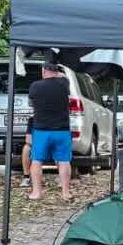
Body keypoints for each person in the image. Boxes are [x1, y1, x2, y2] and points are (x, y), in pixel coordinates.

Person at [28, 63, 73, 201]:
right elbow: (64, 76)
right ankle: (65, 193)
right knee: (64, 161)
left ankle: (37, 192)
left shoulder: (35, 85)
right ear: (56, 71)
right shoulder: (64, 83)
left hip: (42, 130)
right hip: (62, 130)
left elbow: (31, 102)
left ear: (43, 71)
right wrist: (57, 73)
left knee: (37, 161)